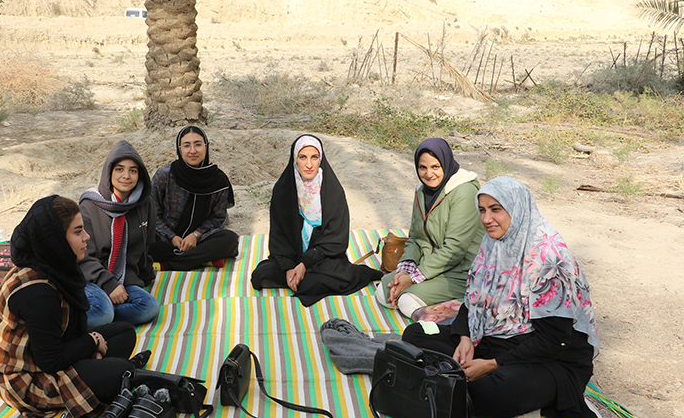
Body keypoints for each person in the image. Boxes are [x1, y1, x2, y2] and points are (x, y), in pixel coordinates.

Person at [402, 177, 600, 418]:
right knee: (415, 335)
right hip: (493, 339)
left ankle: (522, 401)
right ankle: (462, 382)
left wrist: (492, 364)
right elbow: (472, 300)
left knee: (497, 390)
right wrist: (465, 338)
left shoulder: (549, 258)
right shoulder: (492, 243)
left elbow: (554, 340)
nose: (486, 219)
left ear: (516, 209)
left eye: (496, 209)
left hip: (546, 358)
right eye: (482, 210)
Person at [0, 196, 150, 418]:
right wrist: (91, 343)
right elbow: (50, 361)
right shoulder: (37, 292)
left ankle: (101, 372)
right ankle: (108, 374)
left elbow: (67, 333)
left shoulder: (53, 266)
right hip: (30, 380)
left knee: (124, 332)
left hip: (50, 353)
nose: (87, 237)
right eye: (77, 232)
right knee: (121, 371)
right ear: (55, 240)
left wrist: (87, 346)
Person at [251, 134, 383, 306]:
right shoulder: (283, 190)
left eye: (314, 157)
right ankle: (294, 276)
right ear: (294, 159)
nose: (309, 164)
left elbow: (336, 239)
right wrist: (289, 267)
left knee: (315, 281)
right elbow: (279, 235)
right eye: (303, 157)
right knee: (261, 274)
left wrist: (305, 264)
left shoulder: (333, 191)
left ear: (321, 159)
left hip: (322, 258)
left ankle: (302, 278)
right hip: (292, 255)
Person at [375, 137, 484, 319]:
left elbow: (455, 249)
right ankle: (426, 293)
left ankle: (464, 309)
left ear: (446, 163)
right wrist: (405, 269)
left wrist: (414, 278)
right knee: (384, 292)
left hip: (463, 269)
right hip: (432, 264)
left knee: (407, 301)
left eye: (435, 167)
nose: (428, 174)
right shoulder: (422, 190)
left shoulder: (464, 191)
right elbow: (416, 238)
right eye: (422, 167)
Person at [79, 140, 160, 330]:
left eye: (133, 170)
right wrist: (109, 285)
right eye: (119, 169)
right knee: (103, 312)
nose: (126, 176)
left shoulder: (146, 204)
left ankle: (99, 316)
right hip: (91, 278)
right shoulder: (89, 206)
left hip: (125, 280)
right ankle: (93, 316)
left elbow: (147, 245)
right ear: (109, 172)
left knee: (149, 307)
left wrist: (145, 277)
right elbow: (82, 256)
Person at [149, 126, 239, 270]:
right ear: (179, 148)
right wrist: (172, 237)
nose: (192, 150)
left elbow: (217, 218)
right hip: (165, 238)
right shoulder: (165, 175)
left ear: (206, 146)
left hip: (200, 239)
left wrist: (195, 235)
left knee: (230, 239)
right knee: (141, 241)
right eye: (186, 145)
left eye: (197, 144)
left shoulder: (218, 180)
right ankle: (203, 258)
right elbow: (152, 214)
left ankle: (165, 265)